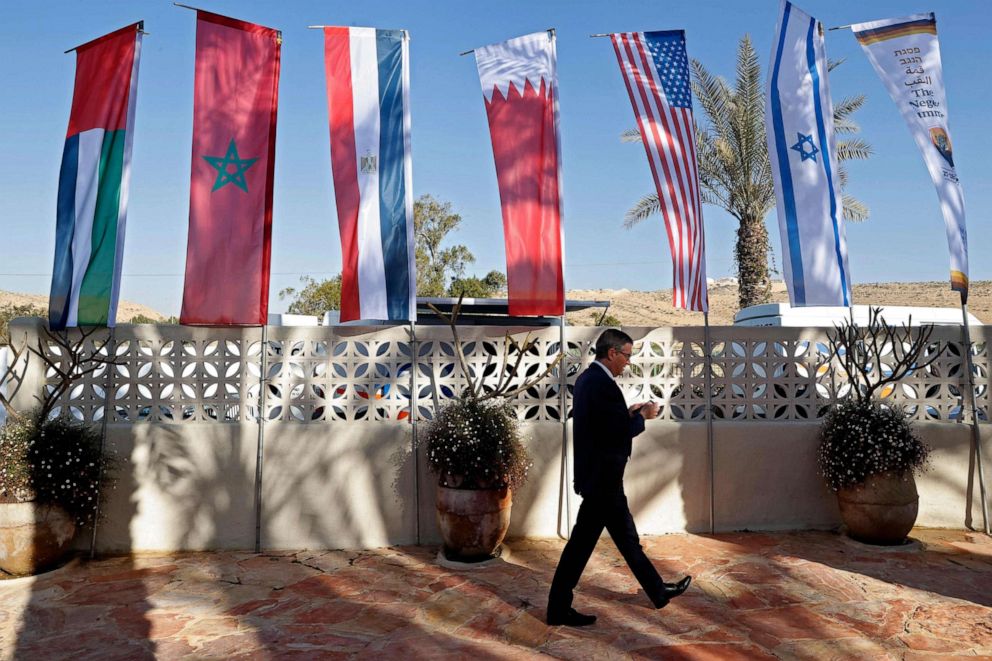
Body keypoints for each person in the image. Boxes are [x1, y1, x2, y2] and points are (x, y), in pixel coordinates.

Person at [547, 328, 691, 627]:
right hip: (603, 480)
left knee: (622, 540)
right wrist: (643, 417)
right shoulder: (601, 384)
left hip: (600, 477)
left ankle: (657, 590)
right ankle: (558, 609)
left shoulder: (589, 379)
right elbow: (616, 433)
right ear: (611, 353)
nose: (628, 361)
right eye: (626, 355)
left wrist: (627, 412)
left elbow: (603, 424)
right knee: (584, 547)